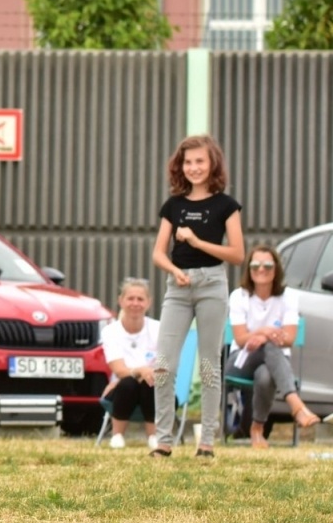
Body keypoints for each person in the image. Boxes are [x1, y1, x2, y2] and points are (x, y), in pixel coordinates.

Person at [150, 134, 243, 459]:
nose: (194, 167)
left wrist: (196, 241)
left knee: (208, 365)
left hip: (212, 285)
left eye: (200, 161)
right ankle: (163, 441)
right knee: (164, 364)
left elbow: (237, 254)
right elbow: (158, 253)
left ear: (212, 163)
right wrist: (173, 270)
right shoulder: (173, 206)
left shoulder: (226, 206)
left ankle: (206, 443)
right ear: (180, 166)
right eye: (188, 162)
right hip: (178, 288)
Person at [228, 245, 319, 447]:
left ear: (276, 269)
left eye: (267, 265)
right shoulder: (238, 296)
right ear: (249, 269)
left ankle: (257, 430)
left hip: (274, 363)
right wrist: (267, 332)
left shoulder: (288, 296)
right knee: (270, 346)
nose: (261, 269)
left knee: (265, 375)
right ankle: (296, 405)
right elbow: (241, 339)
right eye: (255, 265)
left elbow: (289, 338)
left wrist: (262, 337)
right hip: (241, 360)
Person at [99, 277, 160, 450]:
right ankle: (117, 436)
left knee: (149, 382)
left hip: (153, 385)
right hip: (121, 389)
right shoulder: (110, 331)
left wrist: (144, 373)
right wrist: (141, 370)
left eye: (140, 299)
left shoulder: (158, 328)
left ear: (148, 302)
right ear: (121, 301)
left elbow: (164, 366)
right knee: (128, 383)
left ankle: (154, 437)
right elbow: (119, 370)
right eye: (130, 298)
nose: (135, 303)